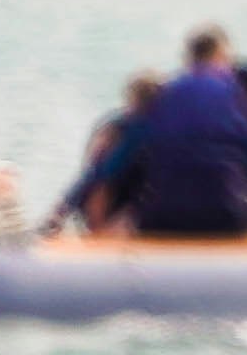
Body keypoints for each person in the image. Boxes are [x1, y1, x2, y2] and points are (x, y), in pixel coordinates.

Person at [90, 26, 247, 240]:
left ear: (188, 59)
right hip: (228, 220)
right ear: (223, 57)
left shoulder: (161, 96)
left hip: (163, 220)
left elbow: (112, 167)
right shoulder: (243, 101)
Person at [47, 73, 166, 237]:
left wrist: (61, 212)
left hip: (109, 199)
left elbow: (93, 174)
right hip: (116, 203)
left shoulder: (122, 125)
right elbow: (100, 178)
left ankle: (62, 218)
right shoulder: (127, 127)